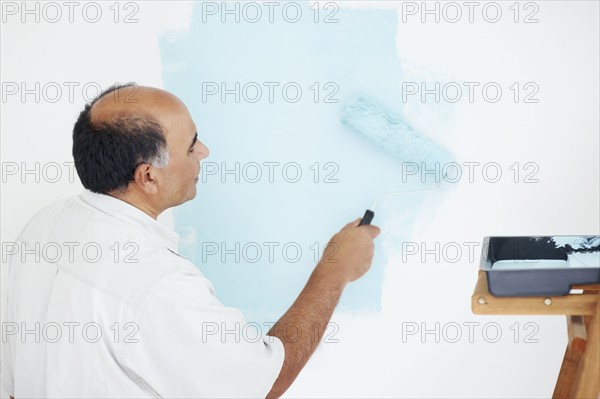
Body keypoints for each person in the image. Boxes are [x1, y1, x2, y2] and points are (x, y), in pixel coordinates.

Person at [1, 83, 380, 398]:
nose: (204, 152)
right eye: (191, 144)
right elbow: (263, 383)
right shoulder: (156, 283)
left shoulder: (43, 227)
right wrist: (336, 268)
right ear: (148, 177)